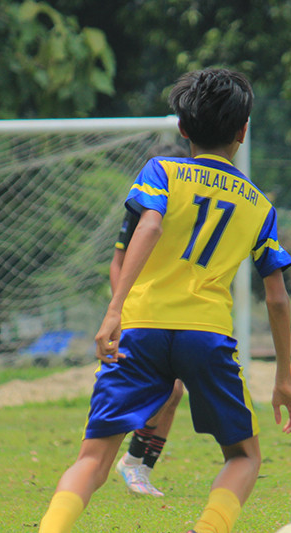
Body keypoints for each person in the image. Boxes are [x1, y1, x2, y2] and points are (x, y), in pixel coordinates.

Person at [0, 67, 291, 533]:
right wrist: (284, 376)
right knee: (245, 455)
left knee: (92, 459)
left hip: (139, 331)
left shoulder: (161, 171)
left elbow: (150, 227)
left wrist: (114, 309)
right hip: (207, 336)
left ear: (183, 127)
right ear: (244, 131)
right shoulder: (259, 205)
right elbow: (277, 297)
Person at [108, 148, 188, 498]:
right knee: (165, 390)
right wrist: (120, 309)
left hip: (176, 309)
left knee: (176, 391)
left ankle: (140, 467)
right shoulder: (142, 211)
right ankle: (127, 460)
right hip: (142, 312)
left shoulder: (188, 211)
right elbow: (118, 262)